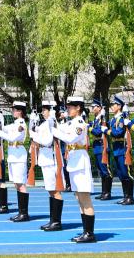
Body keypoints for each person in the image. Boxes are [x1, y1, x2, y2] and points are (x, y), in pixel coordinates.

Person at [53, 96, 96, 243]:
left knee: (85, 198)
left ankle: (89, 233)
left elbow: (70, 139)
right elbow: (60, 128)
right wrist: (51, 120)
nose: (68, 109)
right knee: (79, 198)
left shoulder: (80, 123)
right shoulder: (71, 122)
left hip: (80, 161)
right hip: (73, 162)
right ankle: (86, 231)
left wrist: (54, 131)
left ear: (78, 108)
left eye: (71, 107)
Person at [32, 100, 64, 232]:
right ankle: (53, 220)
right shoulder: (46, 123)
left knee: (54, 190)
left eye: (45, 109)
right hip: (45, 158)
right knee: (50, 190)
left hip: (51, 159)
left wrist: (34, 136)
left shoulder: (51, 122)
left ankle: (56, 222)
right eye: (43, 110)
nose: (43, 112)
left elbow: (47, 141)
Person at [0, 101, 29, 220]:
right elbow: (4, 128)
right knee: (17, 184)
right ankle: (21, 212)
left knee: (21, 184)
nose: (12, 112)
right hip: (13, 156)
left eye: (14, 110)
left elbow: (12, 137)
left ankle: (24, 213)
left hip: (19, 156)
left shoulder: (21, 124)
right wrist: (0, 120)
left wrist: (0, 133)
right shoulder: (15, 123)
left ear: (20, 111)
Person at [107, 95, 134, 205]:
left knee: (126, 173)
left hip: (122, 148)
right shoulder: (114, 119)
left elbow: (118, 133)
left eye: (114, 104)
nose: (112, 106)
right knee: (121, 174)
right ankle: (125, 196)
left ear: (119, 106)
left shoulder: (121, 119)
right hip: (116, 148)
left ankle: (130, 197)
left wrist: (107, 131)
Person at [88, 98, 113, 201]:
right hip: (97, 146)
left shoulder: (102, 119)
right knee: (101, 171)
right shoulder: (96, 119)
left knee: (105, 170)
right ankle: (103, 192)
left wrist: (89, 128)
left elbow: (98, 132)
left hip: (102, 146)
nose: (92, 108)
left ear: (99, 108)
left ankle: (107, 193)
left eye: (94, 107)